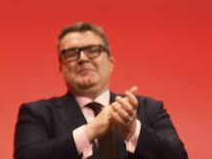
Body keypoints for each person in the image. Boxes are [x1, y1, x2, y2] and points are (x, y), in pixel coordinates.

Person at [13, 21, 187, 159]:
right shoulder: (37, 113)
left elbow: (178, 156)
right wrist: (91, 130)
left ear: (111, 63)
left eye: (92, 50)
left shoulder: (149, 108)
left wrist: (133, 130)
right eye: (72, 53)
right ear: (61, 67)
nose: (82, 58)